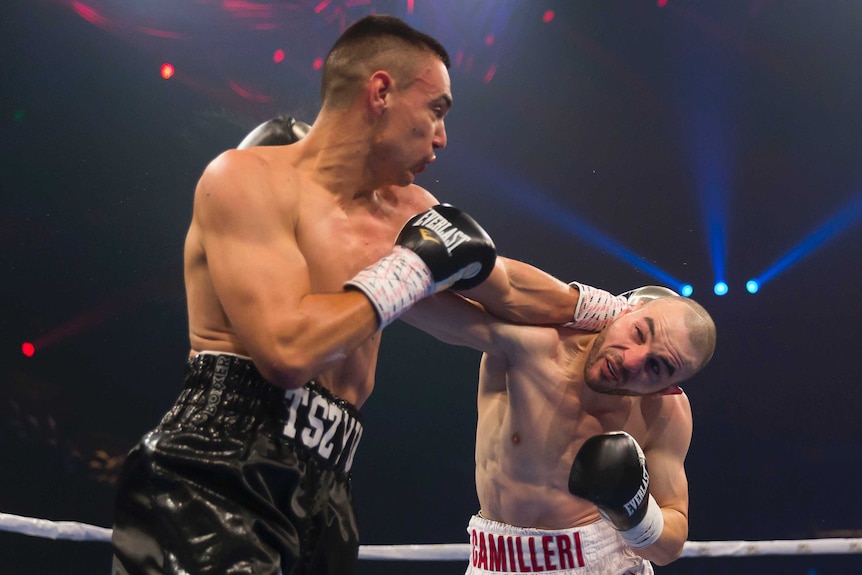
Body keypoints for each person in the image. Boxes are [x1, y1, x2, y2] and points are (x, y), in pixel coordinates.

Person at [110, 14, 618, 575]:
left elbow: (512, 289)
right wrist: (410, 267)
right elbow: (287, 351)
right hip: (219, 464)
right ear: (381, 91)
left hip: (328, 485)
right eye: (437, 109)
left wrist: (623, 312)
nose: (443, 136)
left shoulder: (408, 211)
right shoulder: (247, 179)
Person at [401, 286, 716, 574]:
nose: (632, 360)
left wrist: (636, 513)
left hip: (606, 561)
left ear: (666, 389)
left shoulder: (666, 411)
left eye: (656, 367)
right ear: (621, 313)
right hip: (495, 560)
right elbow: (411, 299)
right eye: (638, 333)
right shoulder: (534, 344)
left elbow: (669, 546)